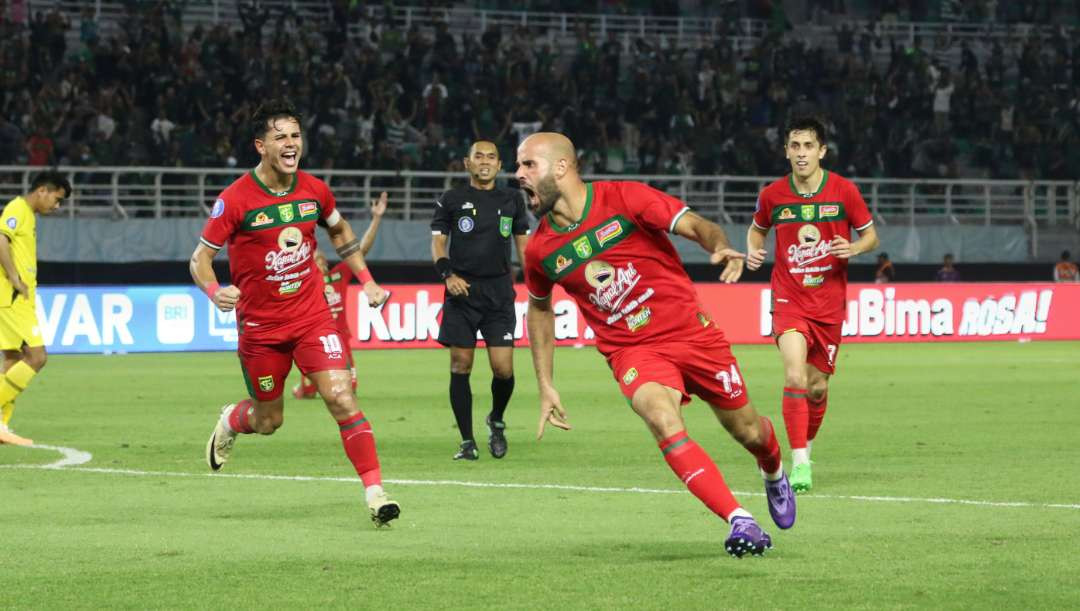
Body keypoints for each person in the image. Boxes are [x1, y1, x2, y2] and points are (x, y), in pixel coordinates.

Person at [518, 132, 795, 559]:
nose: (518, 175)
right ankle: (740, 519)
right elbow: (539, 310)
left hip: (691, 333)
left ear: (561, 167)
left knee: (748, 431)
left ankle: (773, 467)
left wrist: (719, 246)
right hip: (633, 352)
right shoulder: (540, 249)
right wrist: (545, 383)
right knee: (661, 419)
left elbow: (697, 225)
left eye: (527, 166)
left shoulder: (625, 198)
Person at [190, 100, 400, 527]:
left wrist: (367, 280)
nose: (291, 144)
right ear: (260, 146)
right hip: (261, 328)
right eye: (281, 136)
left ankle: (376, 493)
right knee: (269, 421)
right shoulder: (234, 200)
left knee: (342, 397)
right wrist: (214, 291)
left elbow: (339, 230)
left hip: (312, 318)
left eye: (296, 136)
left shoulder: (315, 191)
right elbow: (199, 260)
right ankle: (233, 419)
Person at [745, 116, 879, 494]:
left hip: (829, 303)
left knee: (817, 388)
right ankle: (799, 462)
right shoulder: (773, 195)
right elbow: (758, 228)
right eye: (795, 146)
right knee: (794, 376)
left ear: (822, 151)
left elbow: (870, 235)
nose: (801, 154)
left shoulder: (843, 191)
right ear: (786, 151)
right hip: (789, 299)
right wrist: (754, 251)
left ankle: (807, 445)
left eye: (808, 147)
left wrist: (852, 247)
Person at [431, 140, 530, 460]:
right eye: (478, 156)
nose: (484, 162)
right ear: (466, 163)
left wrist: (536, 284)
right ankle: (466, 441)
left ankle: (496, 419)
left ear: (500, 165)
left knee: (503, 369)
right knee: (461, 364)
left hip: (499, 294)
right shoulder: (451, 199)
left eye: (491, 157)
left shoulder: (513, 198)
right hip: (461, 293)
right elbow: (438, 244)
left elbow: (523, 245)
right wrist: (448, 275)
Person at [292, 191, 388, 399]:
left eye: (322, 260)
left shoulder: (338, 276)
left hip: (341, 337)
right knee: (308, 394)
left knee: (350, 390)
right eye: (314, 260)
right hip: (314, 337)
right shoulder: (304, 281)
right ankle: (300, 388)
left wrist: (377, 218)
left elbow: (361, 251)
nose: (319, 262)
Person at [0, 171, 70, 446]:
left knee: (13, 360)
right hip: (13, 298)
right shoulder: (17, 207)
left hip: (16, 298)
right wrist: (15, 277)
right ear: (42, 190)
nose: (57, 206)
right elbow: (1, 238)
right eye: (57, 198)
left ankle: (2, 425)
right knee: (38, 357)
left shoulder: (28, 215)